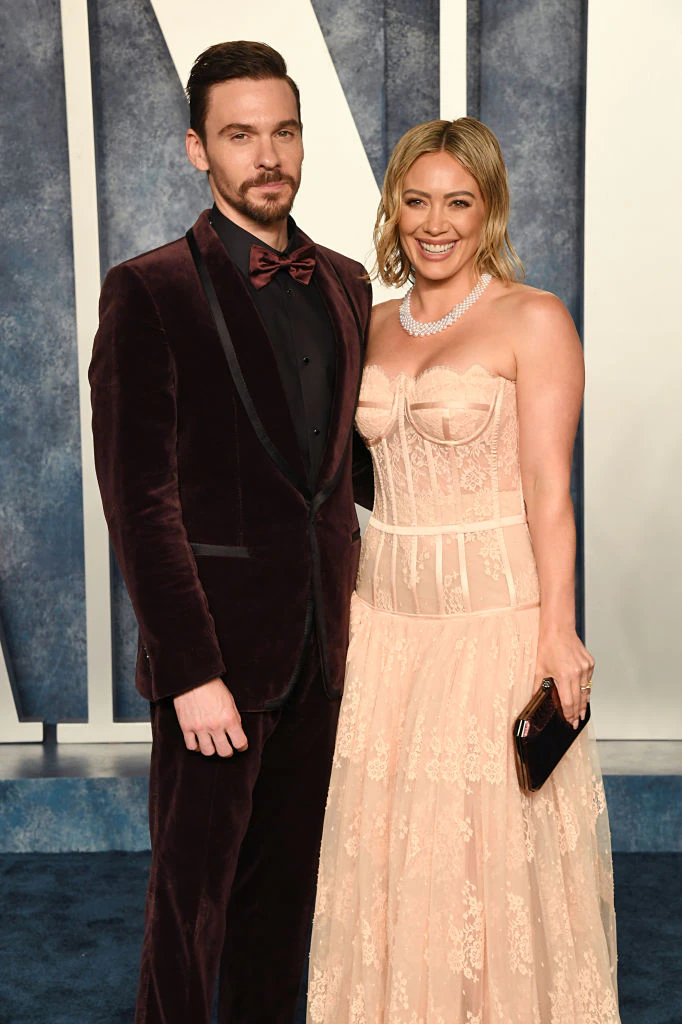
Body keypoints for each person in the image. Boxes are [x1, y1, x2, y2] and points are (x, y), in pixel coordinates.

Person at [307, 118, 620, 1023]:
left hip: (493, 625)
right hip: (385, 630)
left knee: (484, 855)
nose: (434, 223)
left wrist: (557, 633)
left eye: (458, 202)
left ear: (489, 212)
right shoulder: (364, 326)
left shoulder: (533, 318)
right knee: (392, 854)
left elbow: (550, 495)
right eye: (416, 200)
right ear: (393, 208)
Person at [89, 40, 373, 1024]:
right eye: (240, 135)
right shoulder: (150, 288)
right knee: (190, 904)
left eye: (283, 131)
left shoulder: (344, 284)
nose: (267, 156)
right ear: (195, 150)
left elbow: (343, 474)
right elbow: (140, 498)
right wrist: (189, 667)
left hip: (322, 653)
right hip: (215, 660)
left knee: (278, 905)